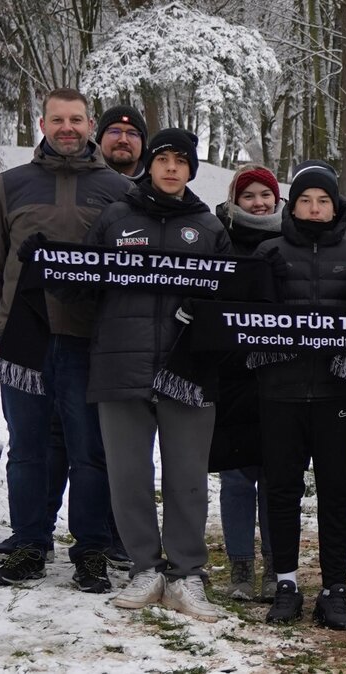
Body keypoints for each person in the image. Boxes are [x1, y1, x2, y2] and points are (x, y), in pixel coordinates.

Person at [0, 88, 127, 591]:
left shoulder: (117, 189)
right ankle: (29, 545)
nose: (67, 128)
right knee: (29, 451)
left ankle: (90, 551)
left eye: (76, 119)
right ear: (42, 124)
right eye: (57, 119)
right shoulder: (10, 184)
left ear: (90, 126)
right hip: (23, 343)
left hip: (89, 341)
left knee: (91, 451)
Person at [83, 129, 231, 622]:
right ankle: (145, 568)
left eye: (181, 161)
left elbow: (230, 295)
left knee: (187, 476)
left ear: (191, 170)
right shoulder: (115, 217)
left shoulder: (209, 228)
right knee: (128, 475)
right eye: (163, 159)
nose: (171, 168)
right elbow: (82, 286)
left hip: (187, 372)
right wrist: (50, 266)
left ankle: (188, 574)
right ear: (149, 165)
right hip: (120, 366)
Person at [254, 160, 346, 631]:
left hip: (335, 396)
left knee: (336, 494)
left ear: (335, 206)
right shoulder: (268, 252)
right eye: (305, 200)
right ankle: (285, 584)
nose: (315, 208)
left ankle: (335, 589)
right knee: (280, 491)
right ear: (292, 205)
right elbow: (246, 322)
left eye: (323, 201)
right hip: (279, 393)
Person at [211, 164, 285, 601]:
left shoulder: (291, 239)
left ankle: (277, 566)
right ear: (235, 202)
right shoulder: (220, 239)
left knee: (276, 476)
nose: (258, 202)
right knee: (236, 477)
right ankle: (240, 567)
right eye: (249, 196)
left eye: (265, 195)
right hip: (232, 373)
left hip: (279, 375)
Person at [96, 105, 147, 179]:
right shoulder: (81, 181)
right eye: (114, 132)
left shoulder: (158, 184)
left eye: (132, 133)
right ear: (100, 139)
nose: (123, 140)